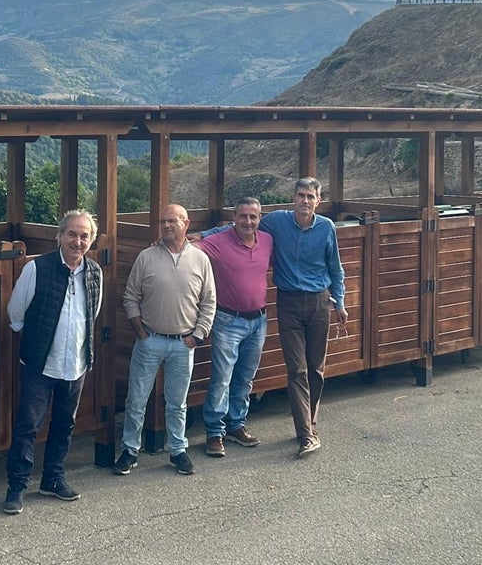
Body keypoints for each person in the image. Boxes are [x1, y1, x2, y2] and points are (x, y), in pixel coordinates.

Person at [199, 177, 346, 458]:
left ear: (318, 200)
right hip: (288, 302)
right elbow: (234, 227)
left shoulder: (326, 228)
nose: (305, 201)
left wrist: (340, 302)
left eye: (310, 197)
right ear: (293, 198)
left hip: (319, 303)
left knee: (315, 369)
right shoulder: (277, 222)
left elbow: (335, 269)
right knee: (296, 370)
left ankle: (306, 423)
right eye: (301, 195)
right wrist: (202, 235)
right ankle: (304, 433)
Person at [2, 210, 103, 515]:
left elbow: (92, 314)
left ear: (91, 240)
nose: (78, 241)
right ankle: (16, 487)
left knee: (64, 425)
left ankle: (52, 479)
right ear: (59, 236)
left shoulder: (95, 272)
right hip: (39, 364)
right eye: (72, 234)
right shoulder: (37, 268)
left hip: (75, 364)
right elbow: (15, 312)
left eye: (84, 236)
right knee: (27, 427)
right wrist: (35, 342)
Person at [114, 204, 216, 477]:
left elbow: (209, 302)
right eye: (163, 222)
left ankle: (177, 450)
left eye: (173, 221)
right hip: (150, 340)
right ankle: (129, 451)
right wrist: (140, 332)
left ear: (186, 223)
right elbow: (130, 297)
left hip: (184, 343)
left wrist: (197, 336)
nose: (167, 225)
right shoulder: (146, 257)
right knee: (136, 399)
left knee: (177, 402)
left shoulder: (200, 259)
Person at [196, 196, 272, 458]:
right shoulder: (219, 241)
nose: (248, 221)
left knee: (245, 377)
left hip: (259, 320)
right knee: (222, 378)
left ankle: (236, 425)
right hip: (228, 320)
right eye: (243, 216)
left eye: (253, 216)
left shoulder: (267, 240)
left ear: (260, 218)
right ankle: (214, 432)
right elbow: (191, 246)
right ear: (234, 218)